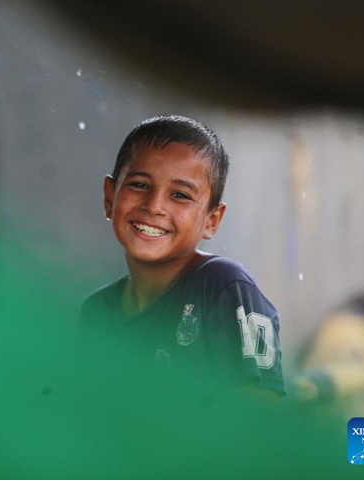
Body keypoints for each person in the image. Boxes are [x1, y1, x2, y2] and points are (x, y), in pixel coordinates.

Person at [80, 114, 286, 397]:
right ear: (109, 197)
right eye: (139, 184)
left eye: (180, 195)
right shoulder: (97, 312)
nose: (154, 206)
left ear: (212, 221)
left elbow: (260, 419)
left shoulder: (223, 287)